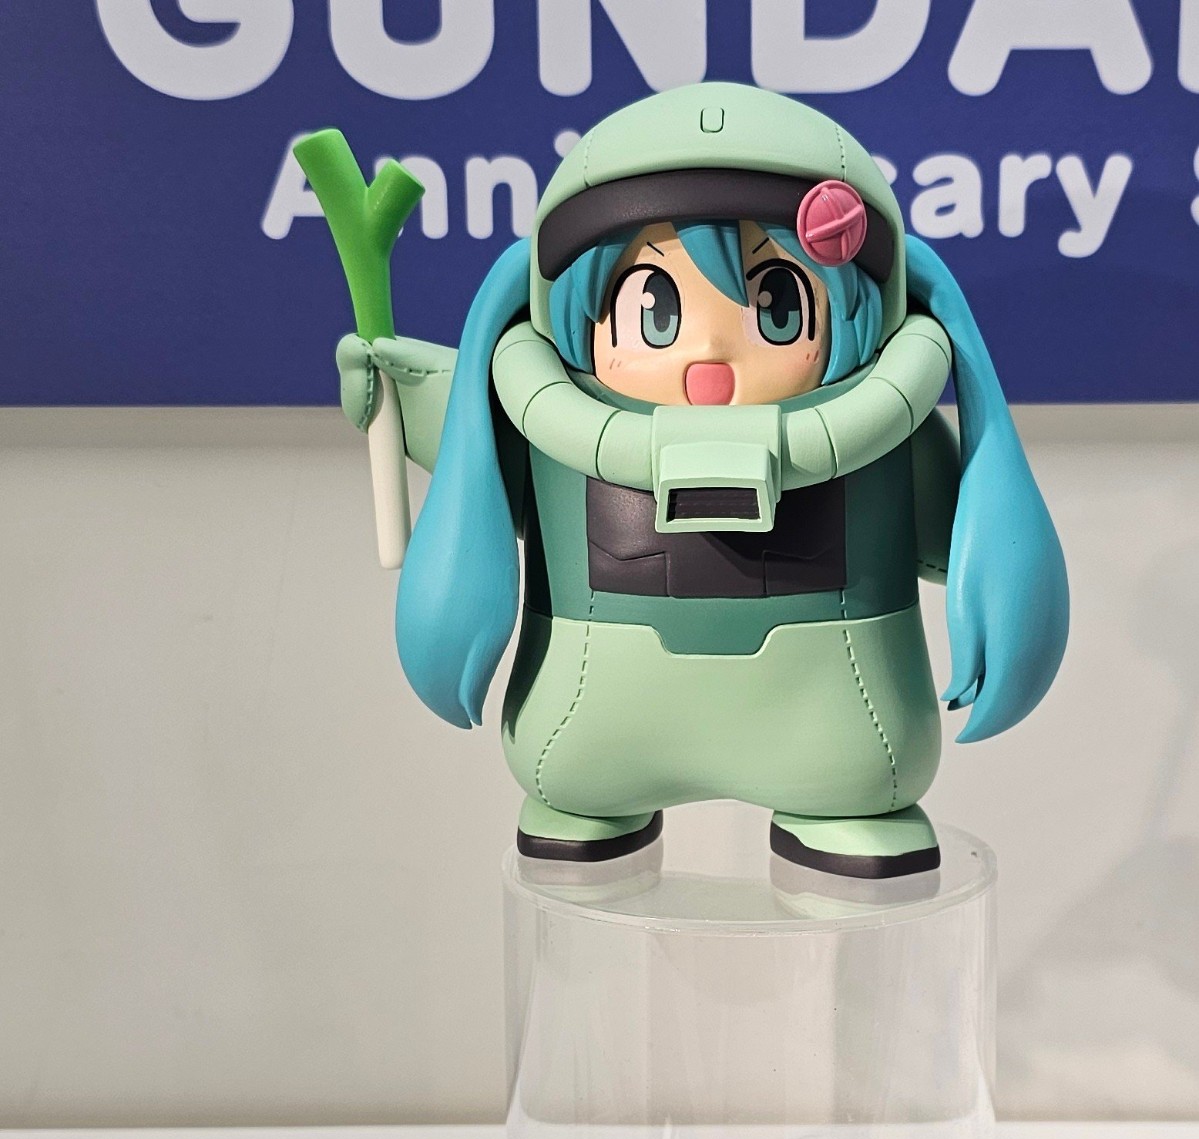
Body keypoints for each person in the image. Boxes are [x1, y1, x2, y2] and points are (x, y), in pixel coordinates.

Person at [336, 82, 1068, 878]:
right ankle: (589, 800)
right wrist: (389, 389)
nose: (708, 362)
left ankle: (842, 804)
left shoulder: (885, 435)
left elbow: (952, 535)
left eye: (778, 306)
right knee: (575, 780)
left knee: (857, 779)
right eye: (653, 311)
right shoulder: (542, 422)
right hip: (585, 736)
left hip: (841, 734)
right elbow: (476, 466)